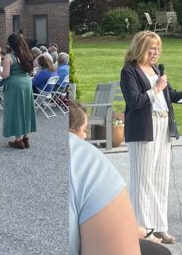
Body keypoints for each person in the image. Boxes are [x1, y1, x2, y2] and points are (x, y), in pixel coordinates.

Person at [121, 30, 182, 245]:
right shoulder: (129, 71)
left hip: (163, 124)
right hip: (143, 129)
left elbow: (171, 95)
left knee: (160, 178)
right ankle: (144, 229)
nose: (155, 52)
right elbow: (135, 101)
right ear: (140, 48)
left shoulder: (156, 70)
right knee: (143, 179)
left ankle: (160, 226)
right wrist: (156, 89)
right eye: (151, 48)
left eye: (158, 48)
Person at [69, 101, 171, 255]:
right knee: (143, 182)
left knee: (156, 182)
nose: (86, 135)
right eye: (83, 130)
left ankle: (154, 226)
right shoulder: (85, 161)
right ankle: (144, 223)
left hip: (159, 130)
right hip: (143, 132)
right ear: (71, 130)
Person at [2, 33, 37, 149]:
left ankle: (18, 140)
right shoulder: (27, 54)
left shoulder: (8, 57)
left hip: (15, 85)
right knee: (26, 109)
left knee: (16, 110)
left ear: (10, 44)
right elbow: (31, 71)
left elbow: (6, 75)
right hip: (27, 82)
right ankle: (26, 138)